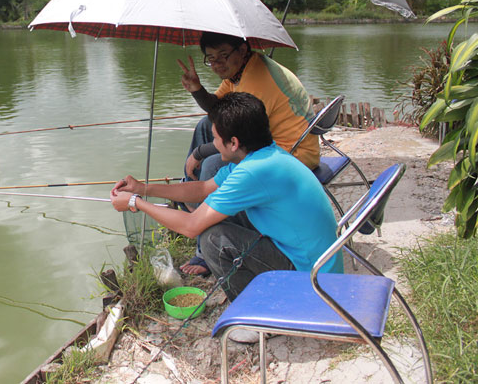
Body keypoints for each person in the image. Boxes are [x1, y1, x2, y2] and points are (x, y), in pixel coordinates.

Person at [111, 93, 342, 332]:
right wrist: (143, 188)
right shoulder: (262, 156)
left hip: (313, 282)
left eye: (215, 138)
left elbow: (191, 227)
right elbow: (202, 189)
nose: (214, 143)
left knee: (212, 239)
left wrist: (136, 203)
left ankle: (258, 317)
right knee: (219, 214)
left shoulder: (253, 172)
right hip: (317, 266)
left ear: (233, 142)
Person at [176, 32, 321, 275]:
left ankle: (207, 238)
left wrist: (199, 153)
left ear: (242, 50)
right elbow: (218, 109)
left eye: (223, 56)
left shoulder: (256, 81)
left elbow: (237, 136)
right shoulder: (241, 72)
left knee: (214, 164)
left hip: (292, 155)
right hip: (269, 142)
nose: (217, 64)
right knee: (205, 124)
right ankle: (194, 195)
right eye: (210, 59)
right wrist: (197, 88)